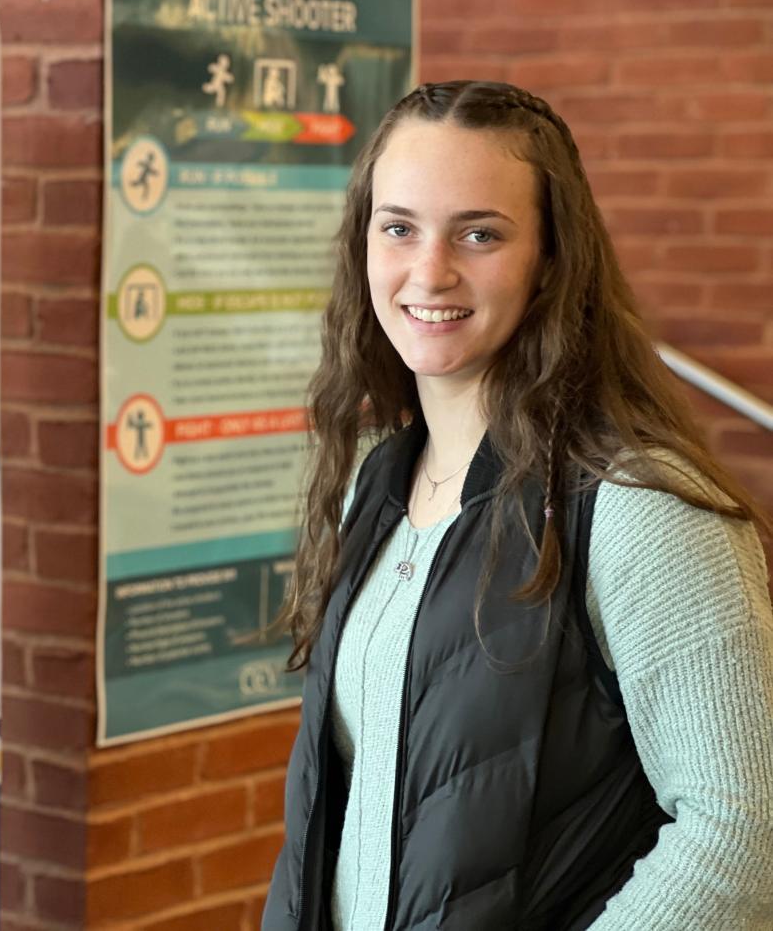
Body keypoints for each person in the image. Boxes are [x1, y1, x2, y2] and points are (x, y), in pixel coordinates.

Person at [263, 80, 773, 930]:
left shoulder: (639, 508)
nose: (430, 270)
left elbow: (745, 835)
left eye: (480, 233)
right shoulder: (378, 485)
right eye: (399, 228)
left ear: (550, 259)